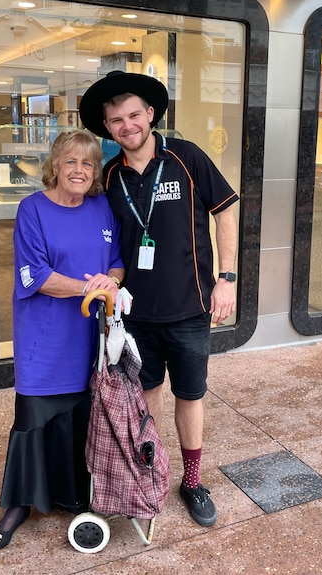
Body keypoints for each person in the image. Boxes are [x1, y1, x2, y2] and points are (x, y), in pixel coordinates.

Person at [79, 71, 239, 528]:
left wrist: (225, 279)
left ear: (150, 115)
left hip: (189, 307)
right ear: (107, 127)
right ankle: (149, 475)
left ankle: (191, 481)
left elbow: (226, 209)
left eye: (134, 115)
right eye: (115, 120)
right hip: (135, 315)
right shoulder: (108, 176)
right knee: (145, 397)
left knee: (190, 395)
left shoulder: (185, 157)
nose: (126, 125)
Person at [0, 130, 124, 551]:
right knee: (33, 417)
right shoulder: (32, 210)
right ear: (54, 166)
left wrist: (109, 282)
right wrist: (90, 290)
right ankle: (19, 504)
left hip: (88, 335)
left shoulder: (102, 208)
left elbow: (116, 263)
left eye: (88, 164)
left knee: (82, 415)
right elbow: (37, 276)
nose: (79, 171)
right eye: (71, 162)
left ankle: (73, 494)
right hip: (44, 337)